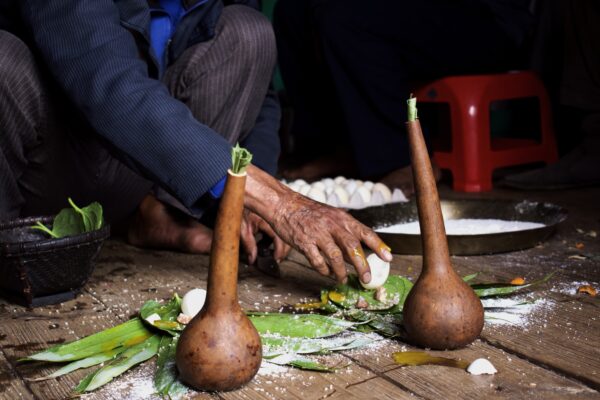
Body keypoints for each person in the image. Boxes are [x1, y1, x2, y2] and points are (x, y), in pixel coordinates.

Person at [0, 0, 392, 285]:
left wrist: (255, 200)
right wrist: (276, 201)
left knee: (249, 31)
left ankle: (158, 213)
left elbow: (263, 101)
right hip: (48, 174)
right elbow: (111, 89)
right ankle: (14, 253)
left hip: (130, 173)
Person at [273, 0, 534, 195]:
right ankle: (339, 148)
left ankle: (403, 158)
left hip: (484, 18)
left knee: (346, 16)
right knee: (293, 9)